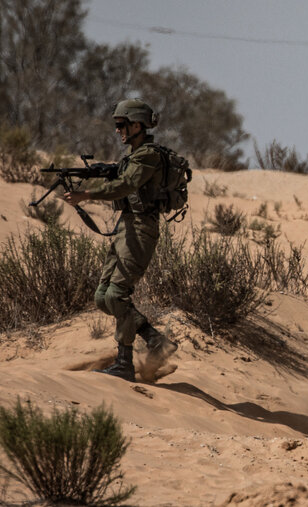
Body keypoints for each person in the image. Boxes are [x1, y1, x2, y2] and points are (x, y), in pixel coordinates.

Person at [63, 99, 178, 382]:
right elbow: (123, 177)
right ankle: (154, 340)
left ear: (137, 125)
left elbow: (126, 185)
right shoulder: (134, 156)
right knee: (103, 297)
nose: (118, 131)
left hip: (140, 229)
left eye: (121, 125)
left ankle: (124, 364)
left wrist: (87, 195)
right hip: (126, 226)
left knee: (116, 295)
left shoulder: (147, 156)